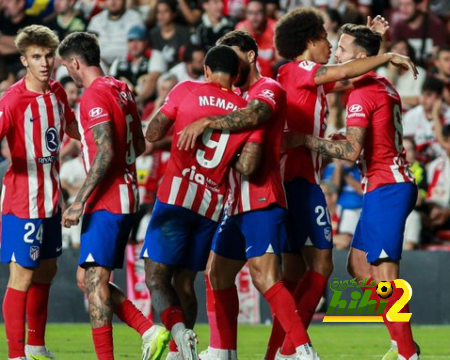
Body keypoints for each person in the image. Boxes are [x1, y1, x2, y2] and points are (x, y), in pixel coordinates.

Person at [180, 9, 414, 360]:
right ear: (310, 41)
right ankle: (300, 350)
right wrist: (387, 54)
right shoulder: (298, 70)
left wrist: (370, 44)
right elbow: (349, 69)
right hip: (294, 183)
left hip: (301, 181)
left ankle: (274, 351)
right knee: (318, 268)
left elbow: (352, 69)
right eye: (326, 39)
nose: (331, 47)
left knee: (298, 271)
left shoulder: (310, 77)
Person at [176, 31, 319, 360]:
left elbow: (257, 114)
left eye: (236, 54)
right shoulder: (234, 95)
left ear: (251, 56)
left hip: (261, 197)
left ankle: (303, 351)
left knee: (265, 276)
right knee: (217, 273)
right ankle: (223, 350)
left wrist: (207, 121)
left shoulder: (267, 88)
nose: (231, 62)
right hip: (235, 202)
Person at [291, 24, 420, 360]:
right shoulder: (382, 85)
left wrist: (305, 140)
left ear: (361, 57)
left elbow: (350, 152)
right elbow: (366, 141)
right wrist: (374, 36)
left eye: (344, 50)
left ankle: (407, 352)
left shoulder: (362, 94)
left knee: (385, 273)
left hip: (387, 187)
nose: (337, 54)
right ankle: (401, 339)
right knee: (359, 267)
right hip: (386, 184)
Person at [142, 44, 266, 360]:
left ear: (207, 70)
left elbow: (154, 132)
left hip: (176, 197)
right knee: (185, 282)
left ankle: (180, 337)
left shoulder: (186, 89)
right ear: (236, 75)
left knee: (156, 277)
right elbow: (247, 165)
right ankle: (177, 354)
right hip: (211, 205)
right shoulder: (244, 107)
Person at [58, 31, 169, 360]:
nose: (69, 74)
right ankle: (149, 331)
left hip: (108, 199)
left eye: (67, 67)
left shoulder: (93, 95)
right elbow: (140, 139)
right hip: (126, 194)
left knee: (94, 283)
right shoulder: (120, 88)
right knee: (88, 279)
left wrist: (79, 200)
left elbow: (104, 153)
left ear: (76, 63)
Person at [0, 25, 75, 360]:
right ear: (24, 60)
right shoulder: (13, 99)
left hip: (51, 201)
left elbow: (75, 129)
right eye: (36, 56)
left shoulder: (58, 93)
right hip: (22, 202)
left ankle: (35, 346)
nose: (45, 62)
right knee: (22, 276)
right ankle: (16, 355)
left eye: (48, 55)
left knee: (47, 272)